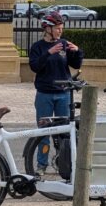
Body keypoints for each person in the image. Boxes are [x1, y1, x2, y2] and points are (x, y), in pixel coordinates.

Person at [28, 10, 84, 170]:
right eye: (58, 27)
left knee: (64, 133)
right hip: (44, 94)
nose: (61, 30)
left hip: (63, 94)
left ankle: (64, 165)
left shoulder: (64, 44)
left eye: (62, 27)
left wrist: (77, 52)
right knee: (43, 132)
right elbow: (35, 66)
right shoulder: (38, 47)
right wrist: (48, 53)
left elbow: (76, 65)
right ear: (48, 28)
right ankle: (42, 165)